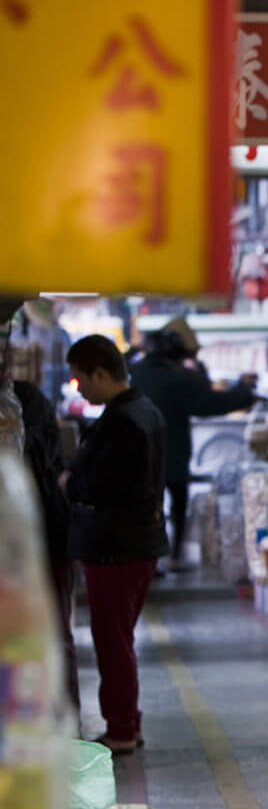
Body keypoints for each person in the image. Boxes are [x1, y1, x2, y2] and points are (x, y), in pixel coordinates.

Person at [66, 334, 168, 754]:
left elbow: (110, 486)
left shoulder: (124, 421)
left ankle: (122, 729)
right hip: (134, 543)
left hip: (117, 547)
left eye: (80, 380)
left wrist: (71, 484)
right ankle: (129, 724)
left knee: (113, 642)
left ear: (100, 374)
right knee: (117, 638)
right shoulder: (143, 411)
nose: (80, 389)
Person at [130, 318, 257, 568]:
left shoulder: (135, 373)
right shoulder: (177, 379)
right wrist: (244, 394)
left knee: (146, 509)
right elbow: (207, 402)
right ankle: (174, 555)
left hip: (138, 456)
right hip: (172, 454)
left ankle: (149, 560)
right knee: (177, 506)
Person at [2, 323, 75, 712]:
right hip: (30, 540)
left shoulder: (27, 403)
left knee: (51, 634)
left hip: (45, 536)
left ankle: (64, 720)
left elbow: (39, 459)